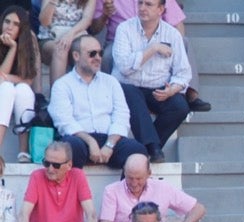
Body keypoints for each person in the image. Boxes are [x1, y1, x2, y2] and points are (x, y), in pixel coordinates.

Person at [47, 35, 145, 168]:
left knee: (137, 152)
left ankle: (122, 189)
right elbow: (65, 122)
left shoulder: (111, 82)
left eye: (100, 53)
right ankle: (77, 188)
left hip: (109, 140)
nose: (98, 57)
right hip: (80, 139)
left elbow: (121, 116)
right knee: (71, 146)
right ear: (76, 56)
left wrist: (109, 145)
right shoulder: (62, 85)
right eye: (92, 54)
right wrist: (90, 141)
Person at [111, 0, 190, 162]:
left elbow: (183, 73)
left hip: (156, 87)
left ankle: (143, 149)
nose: (142, 8)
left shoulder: (172, 34)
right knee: (131, 94)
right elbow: (124, 67)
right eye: (140, 3)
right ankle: (153, 148)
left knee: (180, 106)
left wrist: (172, 90)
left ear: (161, 9)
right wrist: (153, 48)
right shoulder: (124, 29)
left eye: (148, 4)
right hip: (128, 85)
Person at [0, 6, 38, 161]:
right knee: (7, 88)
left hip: (12, 89)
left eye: (15, 24)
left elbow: (29, 79)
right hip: (4, 91)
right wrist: (12, 49)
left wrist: (15, 47)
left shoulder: (29, 43)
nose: (9, 27)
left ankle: (23, 151)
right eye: (7, 21)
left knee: (24, 90)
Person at [38, 0, 94, 90]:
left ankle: (87, 94)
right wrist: (53, 2)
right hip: (50, 37)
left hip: (75, 35)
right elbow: (44, 22)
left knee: (90, 50)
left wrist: (69, 35)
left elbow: (87, 20)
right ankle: (58, 96)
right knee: (60, 49)